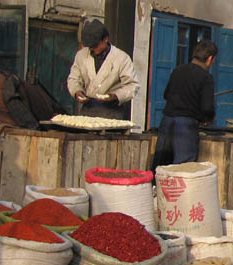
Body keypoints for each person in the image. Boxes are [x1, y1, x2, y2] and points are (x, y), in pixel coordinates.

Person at [152, 40, 218, 176]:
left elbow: (166, 94)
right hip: (185, 128)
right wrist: (207, 118)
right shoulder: (206, 77)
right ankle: (180, 198)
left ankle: (157, 194)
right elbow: (207, 108)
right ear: (210, 59)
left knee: (162, 166)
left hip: (167, 122)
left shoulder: (178, 70)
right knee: (183, 169)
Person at [0, 69, 66, 146]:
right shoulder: (47, 109)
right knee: (14, 122)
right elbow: (23, 116)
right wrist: (34, 130)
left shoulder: (40, 97)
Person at [67, 19, 140, 120]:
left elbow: (132, 85)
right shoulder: (81, 55)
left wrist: (115, 96)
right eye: (90, 47)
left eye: (95, 45)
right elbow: (73, 79)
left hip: (112, 112)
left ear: (105, 39)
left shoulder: (122, 58)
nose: (92, 49)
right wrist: (77, 92)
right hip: (88, 110)